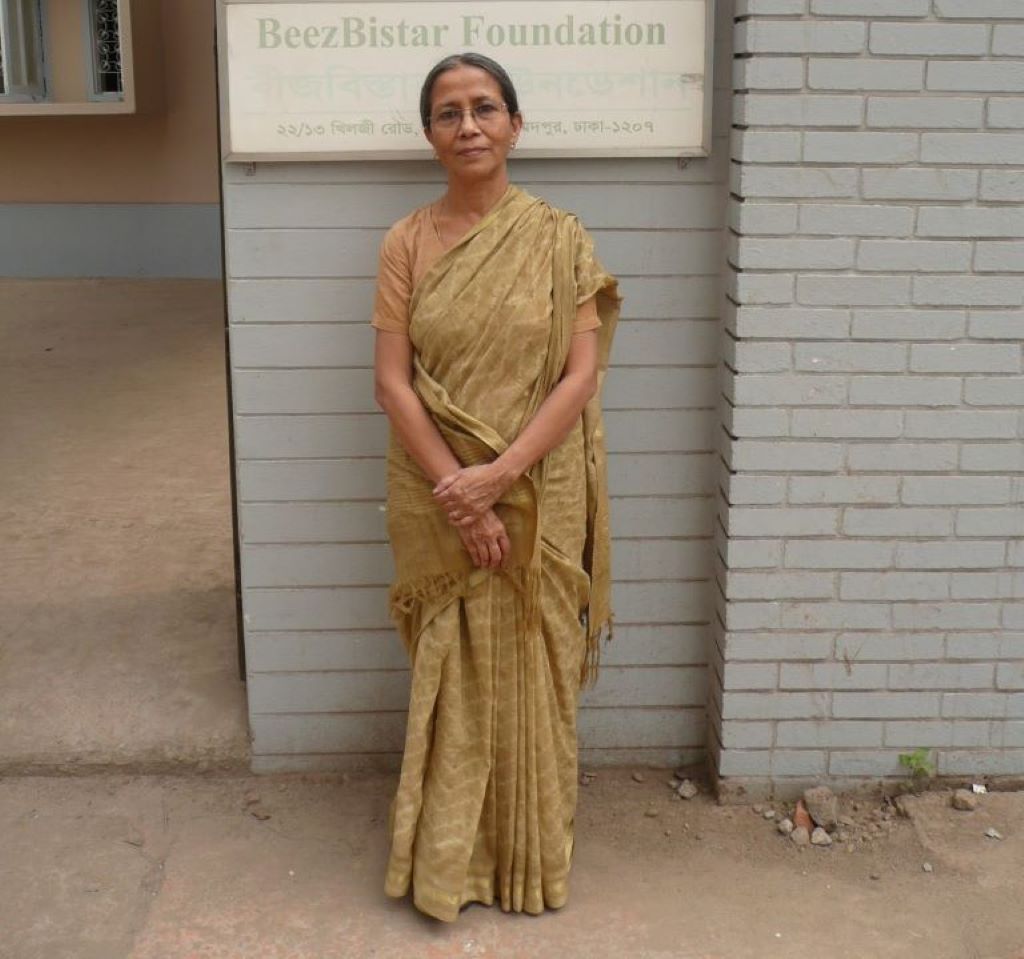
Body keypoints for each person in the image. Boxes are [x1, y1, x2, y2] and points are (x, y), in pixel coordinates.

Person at [371, 51, 621, 923]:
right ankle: (449, 867)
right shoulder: (405, 242)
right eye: (448, 112)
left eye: (484, 107)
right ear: (430, 134)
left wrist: (502, 477)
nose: (467, 125)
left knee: (536, 669)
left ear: (516, 123)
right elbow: (393, 384)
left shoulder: (560, 238)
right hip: (440, 496)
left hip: (539, 493)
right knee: (455, 674)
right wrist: (461, 494)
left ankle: (530, 863)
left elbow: (580, 373)